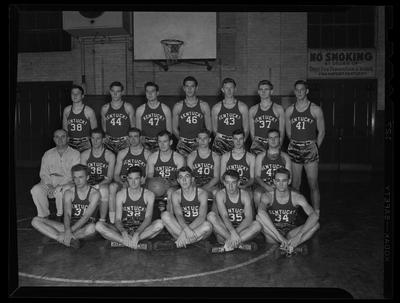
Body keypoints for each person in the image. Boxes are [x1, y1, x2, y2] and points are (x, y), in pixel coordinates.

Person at [31, 164, 100, 248]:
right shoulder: (69, 192)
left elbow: (85, 217)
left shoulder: (94, 194)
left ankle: (63, 237)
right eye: (75, 178)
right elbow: (67, 214)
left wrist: (68, 232)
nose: (77, 181)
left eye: (81, 177)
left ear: (87, 177)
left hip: (85, 227)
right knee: (36, 220)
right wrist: (67, 230)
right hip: (68, 226)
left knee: (93, 228)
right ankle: (66, 239)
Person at [95, 166, 164, 249]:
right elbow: (117, 220)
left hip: (141, 230)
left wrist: (137, 233)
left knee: (160, 224)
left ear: (142, 179)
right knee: (99, 225)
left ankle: (122, 241)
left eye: (136, 179)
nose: (133, 182)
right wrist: (123, 232)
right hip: (124, 230)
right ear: (127, 179)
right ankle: (130, 243)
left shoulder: (149, 195)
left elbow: (148, 218)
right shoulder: (121, 194)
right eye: (130, 179)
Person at [256, 167, 319, 256]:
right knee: (259, 217)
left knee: (316, 225)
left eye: (284, 181)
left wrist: (299, 235)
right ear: (274, 182)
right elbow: (260, 213)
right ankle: (288, 246)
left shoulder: (297, 197)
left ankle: (291, 246)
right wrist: (280, 237)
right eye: (278, 180)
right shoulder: (267, 196)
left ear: (289, 181)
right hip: (273, 233)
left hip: (290, 233)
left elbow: (314, 215)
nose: (281, 184)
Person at [285, 80, 325, 216]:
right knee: (295, 183)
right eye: (297, 90)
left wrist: (314, 148)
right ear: (294, 91)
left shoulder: (315, 109)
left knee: (312, 183)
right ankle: (294, 214)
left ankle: (316, 213)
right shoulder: (289, 110)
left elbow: (322, 132)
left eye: (302, 89)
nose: (300, 92)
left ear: (307, 91)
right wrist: (297, 144)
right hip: (295, 147)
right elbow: (289, 132)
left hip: (310, 148)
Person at [31, 129, 80, 220]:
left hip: (67, 183)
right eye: (57, 137)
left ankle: (60, 216)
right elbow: (44, 173)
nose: (60, 139)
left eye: (63, 136)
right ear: (54, 139)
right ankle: (44, 215)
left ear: (68, 138)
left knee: (60, 191)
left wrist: (58, 186)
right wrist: (49, 185)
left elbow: (73, 174)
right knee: (36, 190)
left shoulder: (75, 154)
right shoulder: (48, 154)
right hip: (49, 183)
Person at [207, 170, 261, 253]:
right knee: (210, 216)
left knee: (257, 225)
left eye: (233, 183)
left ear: (238, 183)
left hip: (241, 231)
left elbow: (248, 218)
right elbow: (224, 216)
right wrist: (232, 233)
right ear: (224, 183)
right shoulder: (220, 194)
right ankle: (239, 244)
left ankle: (227, 246)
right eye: (228, 183)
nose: (230, 186)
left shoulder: (245, 195)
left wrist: (235, 233)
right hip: (225, 231)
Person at [160, 167, 212, 248]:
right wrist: (186, 230)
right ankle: (190, 241)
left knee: (207, 226)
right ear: (178, 180)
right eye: (181, 177)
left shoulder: (202, 193)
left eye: (187, 177)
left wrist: (185, 232)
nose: (184, 180)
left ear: (192, 179)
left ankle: (181, 241)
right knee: (165, 215)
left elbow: (201, 217)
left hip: (197, 227)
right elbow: (179, 215)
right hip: (182, 227)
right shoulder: (176, 195)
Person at [109, 127, 151, 224]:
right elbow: (115, 174)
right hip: (124, 181)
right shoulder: (122, 153)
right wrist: (122, 182)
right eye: (130, 137)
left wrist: (136, 183)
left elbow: (148, 176)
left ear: (141, 138)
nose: (133, 139)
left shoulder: (147, 154)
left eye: (135, 136)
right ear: (127, 138)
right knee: (112, 187)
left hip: (139, 183)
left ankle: (142, 220)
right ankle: (113, 220)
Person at [80, 127, 116, 222]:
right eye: (93, 138)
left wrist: (97, 186)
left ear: (103, 140)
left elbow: (109, 178)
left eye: (98, 138)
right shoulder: (85, 154)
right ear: (90, 139)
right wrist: (89, 186)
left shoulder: (110, 155)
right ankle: (86, 219)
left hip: (102, 182)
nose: (95, 141)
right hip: (88, 182)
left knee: (103, 190)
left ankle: (102, 220)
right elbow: (82, 175)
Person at [146, 130, 185, 213]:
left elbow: (181, 179)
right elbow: (149, 176)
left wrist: (168, 184)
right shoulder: (152, 157)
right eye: (159, 141)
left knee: (170, 192)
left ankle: (170, 218)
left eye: (165, 141)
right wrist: (156, 184)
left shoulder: (178, 158)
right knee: (148, 191)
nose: (162, 144)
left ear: (170, 142)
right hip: (157, 186)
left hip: (173, 186)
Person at [172, 76, 212, 157]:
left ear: (196, 88)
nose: (189, 89)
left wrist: (201, 140)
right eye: (187, 86)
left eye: (192, 86)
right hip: (183, 145)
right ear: (184, 88)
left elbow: (209, 129)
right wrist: (182, 139)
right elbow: (174, 128)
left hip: (198, 143)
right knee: (182, 168)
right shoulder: (178, 106)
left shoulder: (204, 105)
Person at [253, 129, 291, 209]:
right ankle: (260, 217)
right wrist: (266, 187)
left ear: (279, 139)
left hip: (280, 186)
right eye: (270, 138)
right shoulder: (260, 156)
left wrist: (279, 187)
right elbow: (257, 176)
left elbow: (290, 179)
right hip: (264, 186)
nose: (273, 140)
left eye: (276, 137)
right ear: (267, 140)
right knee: (257, 194)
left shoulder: (285, 157)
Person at [211, 78, 249, 156]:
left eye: (231, 88)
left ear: (235, 89)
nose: (229, 90)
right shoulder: (216, 108)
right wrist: (221, 140)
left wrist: (241, 141)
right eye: (226, 88)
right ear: (222, 89)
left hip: (237, 141)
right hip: (221, 142)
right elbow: (214, 129)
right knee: (219, 167)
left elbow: (246, 129)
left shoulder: (242, 107)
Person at [249, 80, 285, 155]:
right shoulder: (252, 110)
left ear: (271, 91)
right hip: (258, 144)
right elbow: (252, 132)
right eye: (261, 89)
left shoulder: (279, 109)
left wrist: (278, 146)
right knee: (258, 166)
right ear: (258, 92)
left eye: (266, 89)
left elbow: (281, 131)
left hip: (273, 142)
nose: (263, 92)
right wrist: (256, 144)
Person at [136, 82, 172, 153]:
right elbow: (138, 132)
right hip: (145, 143)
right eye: (147, 91)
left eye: (152, 91)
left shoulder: (165, 109)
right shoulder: (140, 110)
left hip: (160, 142)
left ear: (157, 93)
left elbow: (169, 132)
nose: (150, 94)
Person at [101, 81, 135, 154]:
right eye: (113, 91)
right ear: (110, 92)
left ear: (122, 92)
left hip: (124, 141)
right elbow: (104, 127)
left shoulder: (128, 107)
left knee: (124, 164)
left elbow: (133, 126)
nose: (115, 94)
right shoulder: (105, 108)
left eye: (118, 91)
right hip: (109, 142)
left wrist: (132, 140)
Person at [62, 85, 98, 152]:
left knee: (84, 162)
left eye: (77, 93)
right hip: (70, 142)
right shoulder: (66, 110)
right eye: (73, 93)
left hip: (84, 143)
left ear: (82, 96)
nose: (75, 95)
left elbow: (95, 131)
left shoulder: (89, 111)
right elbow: (65, 130)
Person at [187, 129, 220, 196]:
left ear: (209, 140)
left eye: (205, 138)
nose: (202, 141)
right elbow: (189, 176)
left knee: (217, 193)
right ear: (197, 140)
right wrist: (196, 188)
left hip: (210, 186)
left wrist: (204, 188)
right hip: (195, 185)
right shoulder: (191, 156)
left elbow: (216, 177)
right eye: (200, 138)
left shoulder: (215, 156)